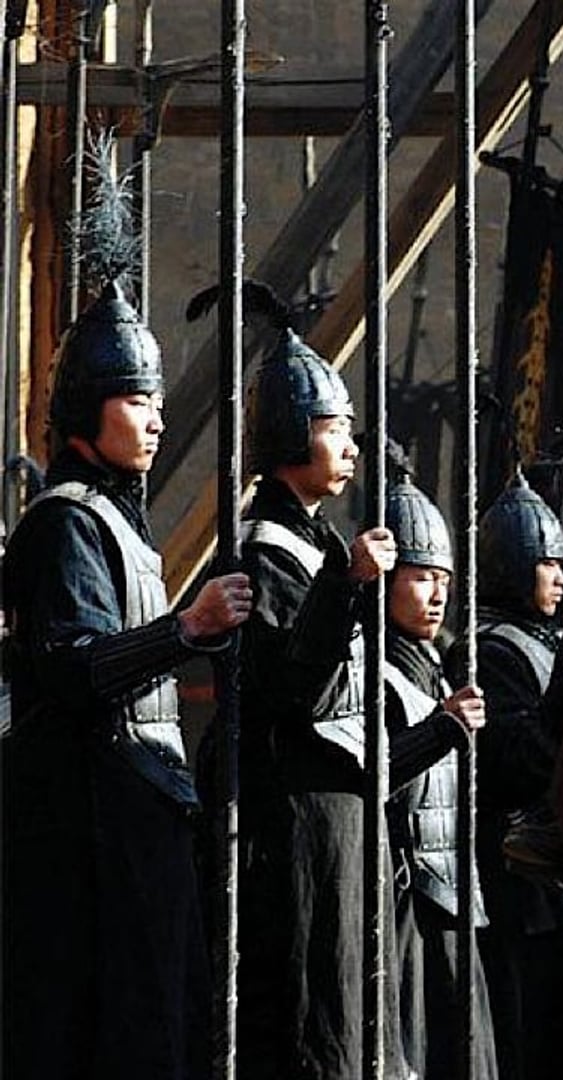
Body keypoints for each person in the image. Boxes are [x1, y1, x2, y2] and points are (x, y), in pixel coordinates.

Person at [2, 253, 252, 1077]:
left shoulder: (115, 520)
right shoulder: (67, 522)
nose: (155, 420)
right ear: (87, 413)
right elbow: (73, 667)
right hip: (88, 825)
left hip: (138, 808)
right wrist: (186, 629)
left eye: (154, 401)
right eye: (135, 401)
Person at [228, 310, 410, 1079]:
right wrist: (348, 584)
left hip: (341, 810)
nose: (350, 445)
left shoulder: (317, 540)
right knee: (309, 1011)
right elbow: (295, 687)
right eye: (337, 429)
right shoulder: (264, 548)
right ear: (297, 435)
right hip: (296, 811)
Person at [452, 472, 563, 1080]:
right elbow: (510, 758)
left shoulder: (552, 641)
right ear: (515, 566)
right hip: (514, 871)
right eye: (547, 564)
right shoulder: (490, 649)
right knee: (529, 1026)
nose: (561, 577)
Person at [380, 467, 497, 1080]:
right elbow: (366, 776)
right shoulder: (374, 672)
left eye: (443, 580)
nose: (436, 594)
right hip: (405, 905)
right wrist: (439, 731)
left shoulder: (436, 671)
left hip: (455, 897)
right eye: (421, 577)